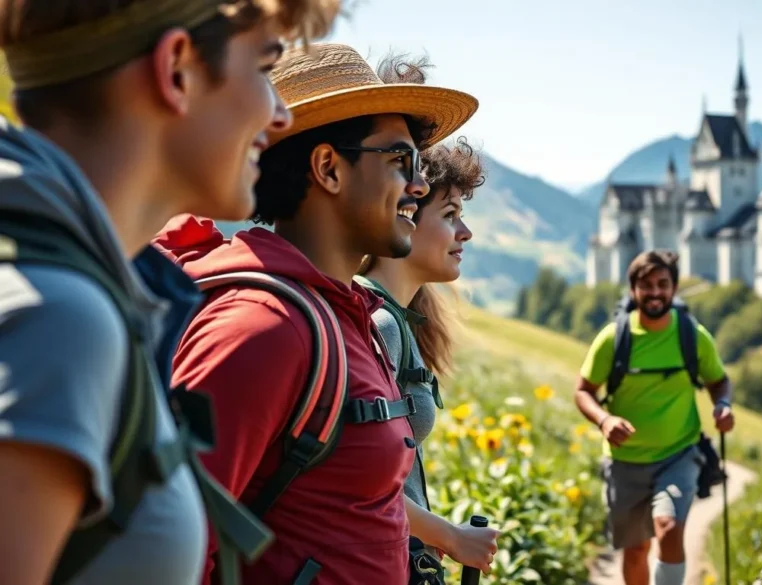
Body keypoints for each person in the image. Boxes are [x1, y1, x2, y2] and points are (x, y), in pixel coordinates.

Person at [0, 2, 340, 584]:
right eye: (265, 68)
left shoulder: (62, 279)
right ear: (177, 69)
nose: (281, 115)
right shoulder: (62, 319)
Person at [153, 42, 479, 585]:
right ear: (328, 168)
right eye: (400, 160)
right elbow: (170, 550)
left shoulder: (344, 313)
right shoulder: (262, 326)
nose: (418, 184)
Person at [355, 136, 501, 582]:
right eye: (450, 215)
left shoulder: (397, 319)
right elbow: (357, 479)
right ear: (406, 218)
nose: (465, 233)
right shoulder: (380, 324)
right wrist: (452, 537)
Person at [573, 250, 736, 585]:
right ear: (633, 290)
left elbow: (719, 382)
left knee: (670, 528)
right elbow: (583, 391)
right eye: (646, 285)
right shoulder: (614, 339)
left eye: (663, 284)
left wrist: (724, 405)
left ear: (674, 288)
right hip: (624, 462)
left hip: (679, 454)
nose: (655, 292)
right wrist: (604, 421)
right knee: (635, 552)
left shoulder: (691, 335)